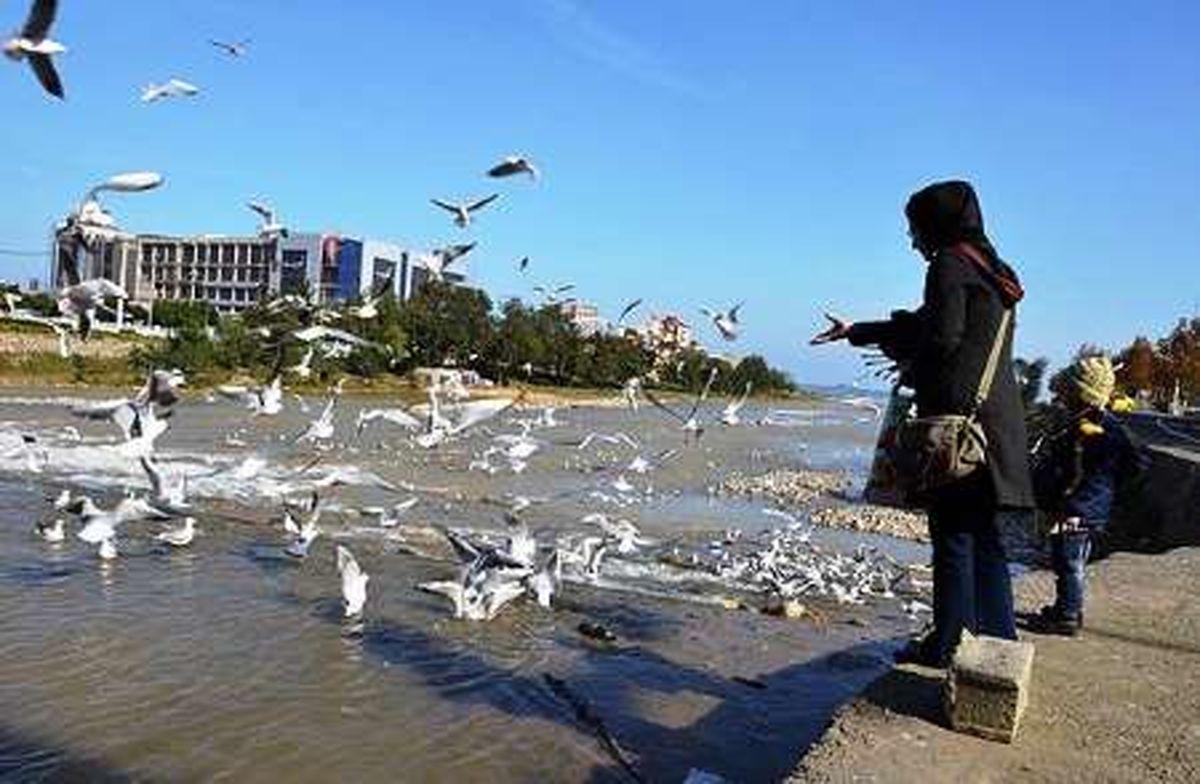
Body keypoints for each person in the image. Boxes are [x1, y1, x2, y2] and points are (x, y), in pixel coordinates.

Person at [811, 179, 1034, 666]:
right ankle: (997, 649)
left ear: (937, 225)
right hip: (996, 425)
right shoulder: (994, 270)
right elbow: (929, 324)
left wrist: (911, 369)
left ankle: (947, 643)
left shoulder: (949, 264)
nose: (913, 241)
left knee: (953, 535)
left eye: (915, 230)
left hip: (959, 428)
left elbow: (942, 338)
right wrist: (858, 332)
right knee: (986, 540)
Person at [1026, 355, 1146, 635]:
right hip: (1086, 506)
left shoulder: (1087, 428)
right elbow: (1136, 463)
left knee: (1069, 561)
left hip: (1077, 507)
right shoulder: (1105, 426)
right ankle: (1066, 607)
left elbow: (1066, 467)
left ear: (1080, 394)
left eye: (1067, 392)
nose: (1061, 397)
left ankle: (1068, 614)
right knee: (1067, 558)